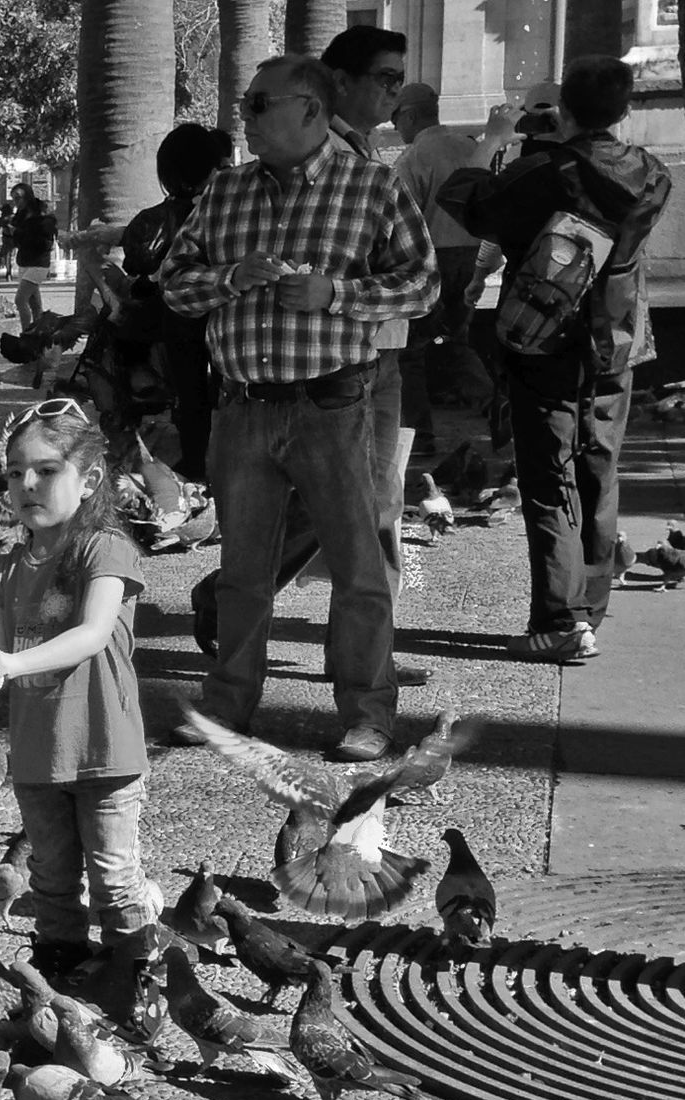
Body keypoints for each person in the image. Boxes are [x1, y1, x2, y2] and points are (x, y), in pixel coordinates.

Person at [160, 54, 438, 762]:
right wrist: (227, 279)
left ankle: (367, 715)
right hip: (242, 408)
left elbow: (422, 287)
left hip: (332, 405)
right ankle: (228, 707)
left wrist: (336, 295)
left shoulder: (371, 188)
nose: (244, 119)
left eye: (259, 105)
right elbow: (171, 286)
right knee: (243, 573)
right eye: (247, 105)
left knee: (357, 570)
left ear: (309, 110)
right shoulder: (223, 193)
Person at [438, 55, 671, 661]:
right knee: (599, 465)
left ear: (563, 109)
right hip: (616, 338)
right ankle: (590, 607)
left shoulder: (542, 171)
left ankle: (560, 620)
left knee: (548, 477)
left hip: (543, 336)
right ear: (624, 112)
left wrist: (494, 139)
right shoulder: (652, 173)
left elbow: (463, 198)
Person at [0, 399, 155, 979]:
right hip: (37, 752)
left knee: (115, 877)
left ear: (89, 480)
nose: (27, 484)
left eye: (46, 470)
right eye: (15, 472)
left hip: (104, 747)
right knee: (50, 875)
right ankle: (58, 964)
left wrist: (9, 664)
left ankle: (133, 973)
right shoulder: (4, 569)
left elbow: (92, 634)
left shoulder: (105, 548)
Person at [274, 25, 433, 692]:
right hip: (339, 363)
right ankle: (360, 667)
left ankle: (362, 658)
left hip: (382, 352)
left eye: (400, 81)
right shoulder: (315, 155)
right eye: (385, 79)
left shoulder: (367, 150)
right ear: (339, 80)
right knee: (356, 514)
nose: (395, 93)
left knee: (374, 510)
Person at [121, 123, 228, 480]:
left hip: (175, 324)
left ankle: (197, 469)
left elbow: (136, 271)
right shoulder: (231, 211)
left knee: (190, 397)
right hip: (227, 320)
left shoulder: (151, 220)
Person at [391, 82, 490, 453]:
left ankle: (417, 435)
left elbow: (401, 220)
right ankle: (497, 406)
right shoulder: (470, 147)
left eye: (397, 118)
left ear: (411, 115)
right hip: (473, 255)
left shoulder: (414, 158)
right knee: (455, 341)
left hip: (433, 259)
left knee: (411, 350)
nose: (396, 127)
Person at [9, 183, 57, 331]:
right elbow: (17, 241)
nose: (16, 202)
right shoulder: (20, 215)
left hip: (39, 263)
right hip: (24, 261)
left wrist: (17, 233)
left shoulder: (42, 214)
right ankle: (39, 333)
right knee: (34, 304)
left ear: (27, 197)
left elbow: (44, 241)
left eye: (18, 198)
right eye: (14, 199)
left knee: (20, 299)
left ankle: (27, 334)